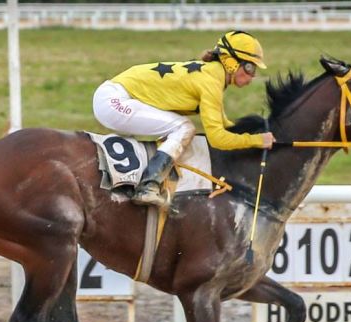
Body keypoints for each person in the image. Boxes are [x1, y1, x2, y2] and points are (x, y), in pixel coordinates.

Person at [92, 30, 275, 207]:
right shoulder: (211, 81)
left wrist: (258, 135)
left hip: (115, 97)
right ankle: (148, 186)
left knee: (181, 126)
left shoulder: (212, 75)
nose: (253, 75)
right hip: (114, 102)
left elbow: (225, 125)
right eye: (249, 67)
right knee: (184, 128)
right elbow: (217, 138)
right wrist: (257, 140)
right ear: (230, 62)